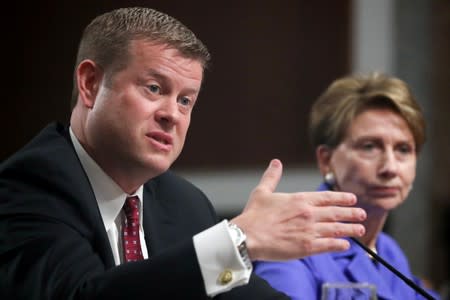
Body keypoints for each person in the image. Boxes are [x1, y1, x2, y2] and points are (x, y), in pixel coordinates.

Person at [0, 7, 367, 300]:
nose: (172, 114)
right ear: (91, 84)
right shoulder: (29, 187)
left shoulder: (184, 203)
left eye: (186, 100)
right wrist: (238, 241)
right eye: (155, 88)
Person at [253, 73, 441, 299]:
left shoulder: (389, 251)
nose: (390, 167)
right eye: (370, 147)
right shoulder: (291, 246)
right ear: (326, 160)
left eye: (403, 149)